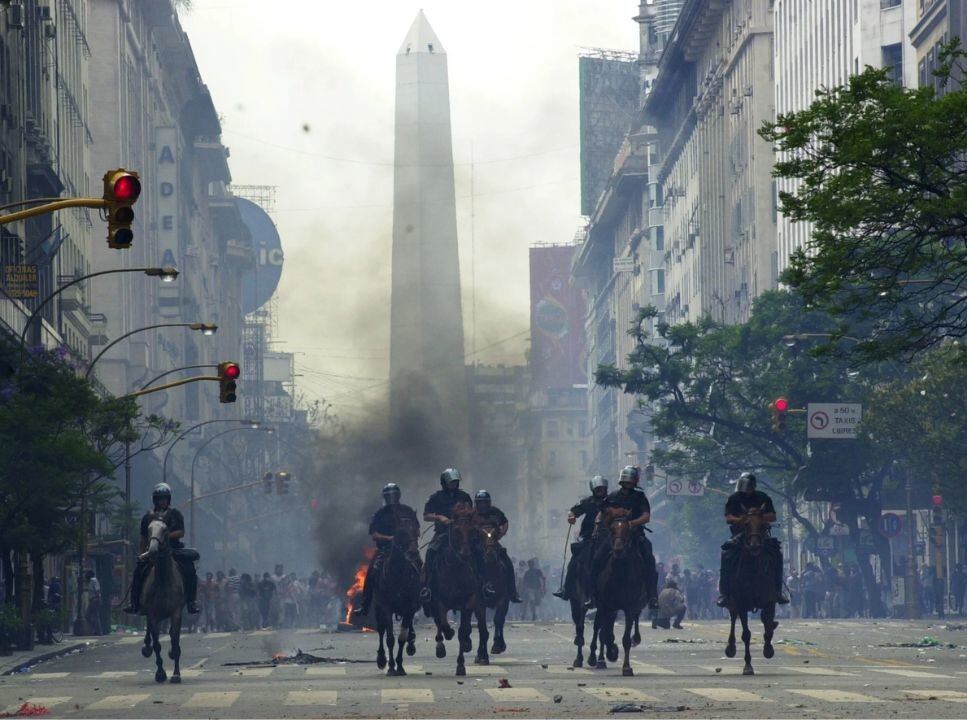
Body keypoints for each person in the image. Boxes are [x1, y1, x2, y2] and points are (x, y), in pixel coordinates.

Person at [586, 466, 658, 611]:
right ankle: (591, 596)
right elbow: (602, 512)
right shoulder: (613, 496)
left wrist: (632, 523)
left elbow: (646, 516)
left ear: (635, 482)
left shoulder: (639, 497)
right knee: (596, 560)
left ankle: (652, 596)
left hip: (635, 535)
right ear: (622, 482)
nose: (628, 484)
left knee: (649, 560)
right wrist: (597, 525)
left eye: (630, 482)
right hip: (615, 536)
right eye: (626, 482)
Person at [421, 468, 495, 606]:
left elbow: (471, 512)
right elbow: (426, 515)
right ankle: (427, 587)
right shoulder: (436, 497)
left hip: (464, 532)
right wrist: (440, 517)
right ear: (444, 483)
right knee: (431, 551)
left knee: (479, 550)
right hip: (443, 532)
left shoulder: (464, 496)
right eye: (451, 482)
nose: (454, 484)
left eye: (455, 482)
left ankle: (485, 583)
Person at [124, 482, 199, 615]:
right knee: (138, 572)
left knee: (190, 569)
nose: (162, 501)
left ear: (168, 499)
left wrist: (164, 535)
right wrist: (142, 555)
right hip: (153, 551)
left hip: (173, 550)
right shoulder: (148, 517)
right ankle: (134, 603)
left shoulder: (175, 514)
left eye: (164, 498)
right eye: (159, 499)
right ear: (155, 500)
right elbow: (143, 537)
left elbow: (181, 532)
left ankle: (191, 602)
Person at [716, 472, 789, 607]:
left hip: (760, 534)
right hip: (739, 534)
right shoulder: (734, 498)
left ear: (754, 485)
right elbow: (728, 518)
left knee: (777, 555)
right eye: (746, 485)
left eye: (750, 486)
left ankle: (778, 591)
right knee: (726, 555)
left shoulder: (763, 497)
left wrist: (758, 517)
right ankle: (725, 593)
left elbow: (773, 516)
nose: (748, 488)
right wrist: (742, 519)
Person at [353, 483, 423, 616]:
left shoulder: (407, 511)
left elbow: (416, 529)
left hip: (406, 548)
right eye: (389, 496)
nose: (392, 499)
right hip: (385, 549)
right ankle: (365, 604)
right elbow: (374, 534)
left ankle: (424, 596)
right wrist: (390, 538)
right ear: (385, 498)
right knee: (371, 571)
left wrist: (411, 538)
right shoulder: (380, 514)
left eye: (394, 496)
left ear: (398, 496)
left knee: (420, 566)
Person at [554, 475, 609, 601]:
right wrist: (571, 516)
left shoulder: (612, 501)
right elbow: (573, 511)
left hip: (609, 538)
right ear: (593, 490)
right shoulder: (587, 502)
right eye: (598, 489)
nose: (600, 491)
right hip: (589, 538)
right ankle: (566, 589)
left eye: (602, 488)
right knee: (575, 561)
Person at [473, 490, 522, 603]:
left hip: (493, 542)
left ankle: (513, 592)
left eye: (485, 502)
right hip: (478, 544)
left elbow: (505, 522)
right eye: (480, 503)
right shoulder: (472, 514)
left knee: (507, 562)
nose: (483, 505)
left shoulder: (495, 512)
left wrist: (501, 533)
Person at [84, 570, 102, 635]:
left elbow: (97, 590)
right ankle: (95, 630)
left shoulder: (94, 580)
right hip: (92, 600)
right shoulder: (91, 581)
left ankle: (98, 631)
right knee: (89, 616)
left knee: (95, 616)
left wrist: (97, 598)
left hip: (94, 600)